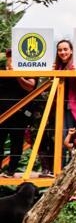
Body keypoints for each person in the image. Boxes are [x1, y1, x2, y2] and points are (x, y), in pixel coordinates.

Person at [52, 39, 76, 175]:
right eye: (60, 50)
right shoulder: (57, 67)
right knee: (63, 138)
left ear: (72, 51)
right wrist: (52, 75)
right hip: (63, 109)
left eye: (65, 49)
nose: (63, 52)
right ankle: (62, 169)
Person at [1, 49, 36, 177]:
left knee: (16, 143)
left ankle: (11, 170)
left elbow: (31, 86)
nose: (11, 58)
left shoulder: (26, 69)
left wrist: (18, 75)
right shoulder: (1, 69)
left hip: (19, 114)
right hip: (2, 114)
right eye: (10, 55)